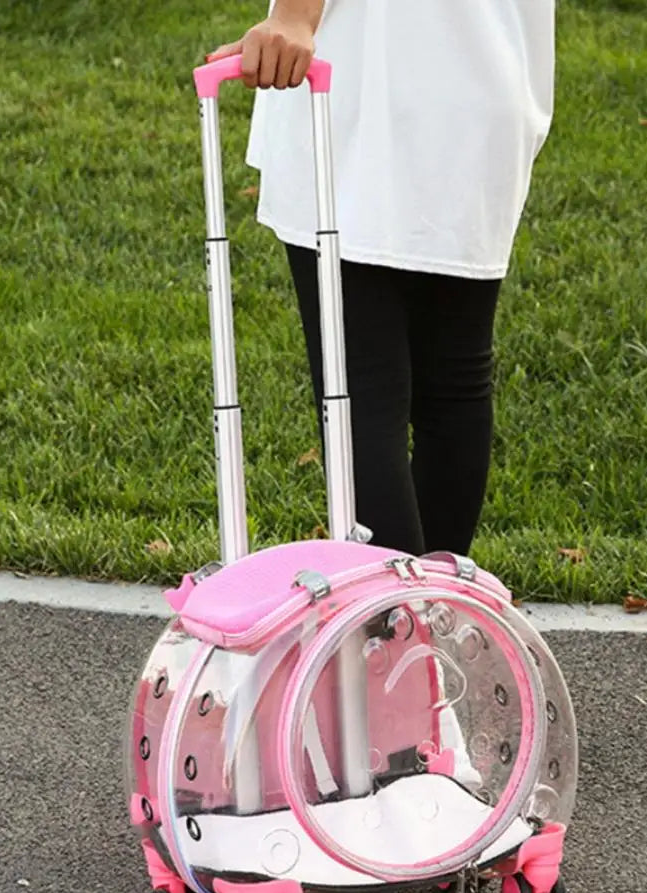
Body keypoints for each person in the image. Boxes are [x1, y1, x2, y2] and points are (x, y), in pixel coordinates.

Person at [207, 0, 555, 559]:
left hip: (362, 87)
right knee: (453, 380)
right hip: (487, 78)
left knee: (360, 391)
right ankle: (436, 625)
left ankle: (397, 630)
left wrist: (296, 14)